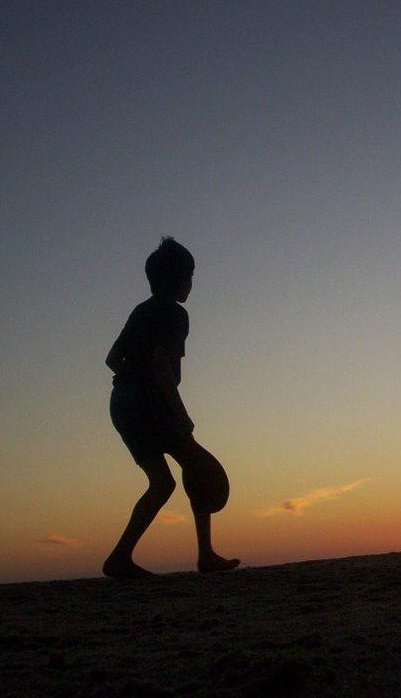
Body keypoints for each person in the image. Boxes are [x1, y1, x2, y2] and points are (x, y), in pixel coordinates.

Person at [103, 237, 239, 578]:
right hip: (150, 401)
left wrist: (131, 382)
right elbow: (161, 363)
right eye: (190, 276)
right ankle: (205, 555)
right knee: (197, 468)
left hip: (121, 402)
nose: (192, 284)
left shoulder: (141, 310)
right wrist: (178, 412)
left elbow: (111, 359)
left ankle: (119, 558)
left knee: (162, 483)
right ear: (180, 279)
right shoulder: (175, 314)